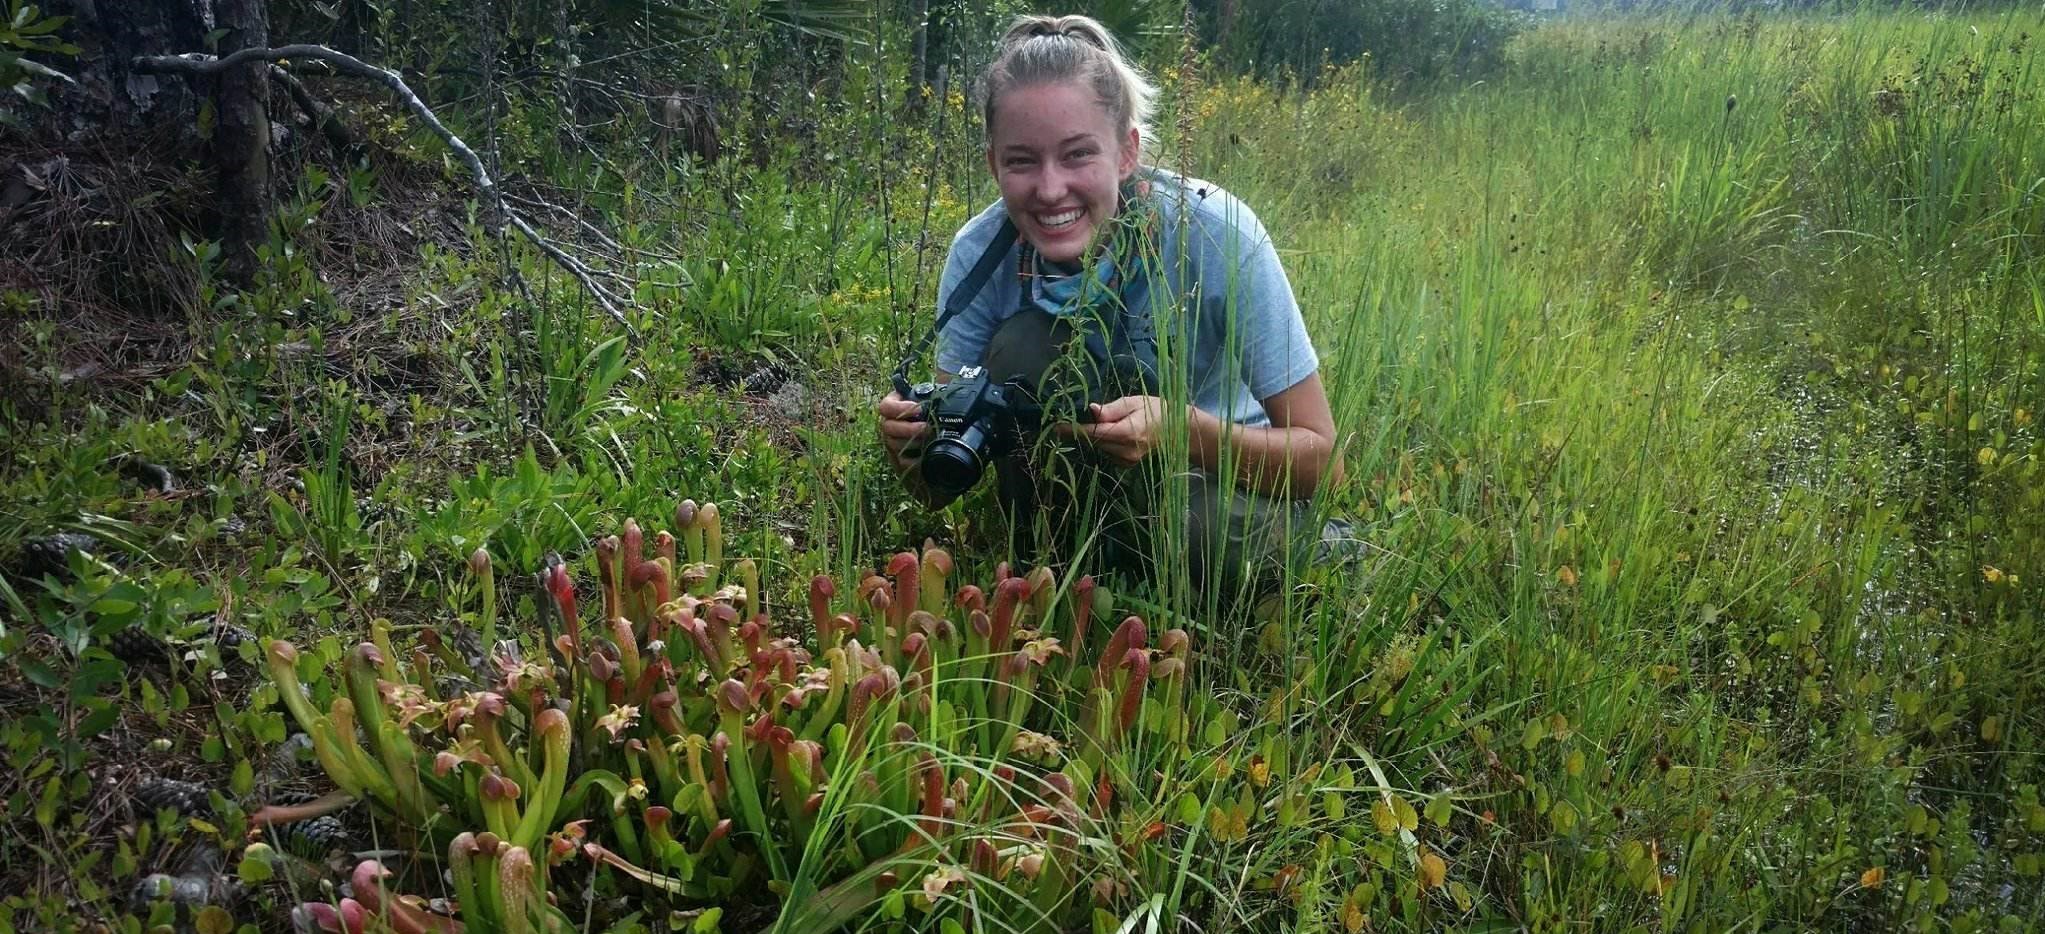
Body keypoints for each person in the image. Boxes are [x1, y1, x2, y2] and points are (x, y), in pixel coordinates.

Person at [876, 13, 1347, 598]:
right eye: (1022, 161)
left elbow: (1323, 464)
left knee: (1201, 533)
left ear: (1127, 152)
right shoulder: (980, 253)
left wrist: (1183, 431)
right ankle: (1067, 559)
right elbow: (941, 487)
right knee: (1026, 344)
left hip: (1210, 485)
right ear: (994, 163)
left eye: (1077, 155)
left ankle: (1321, 551)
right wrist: (913, 451)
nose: (1050, 190)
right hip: (1061, 510)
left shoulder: (1216, 233)